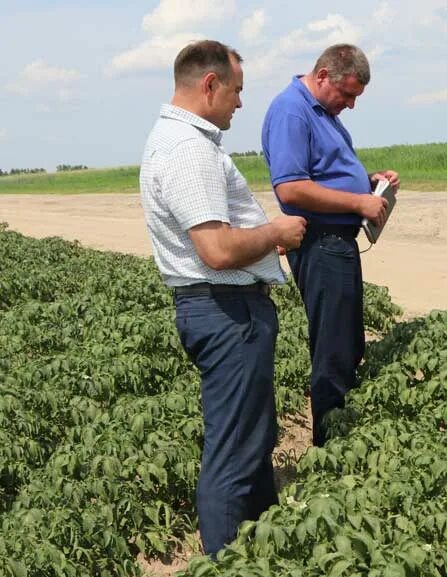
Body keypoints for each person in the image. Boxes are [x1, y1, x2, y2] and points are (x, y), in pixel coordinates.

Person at [139, 40, 306, 557]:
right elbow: (215, 248)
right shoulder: (189, 150)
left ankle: (259, 551)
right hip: (226, 311)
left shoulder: (181, 141)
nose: (239, 102)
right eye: (236, 91)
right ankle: (225, 562)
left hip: (224, 308)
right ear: (210, 85)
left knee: (252, 443)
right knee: (234, 453)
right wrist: (276, 232)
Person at [261, 44, 400, 447]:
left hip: (337, 243)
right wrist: (359, 201)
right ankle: (330, 446)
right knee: (334, 350)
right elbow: (291, 187)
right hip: (320, 244)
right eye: (348, 95)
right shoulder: (292, 110)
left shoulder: (322, 112)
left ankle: (341, 434)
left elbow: (323, 173)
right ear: (323, 76)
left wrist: (369, 182)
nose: (351, 105)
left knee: (347, 342)